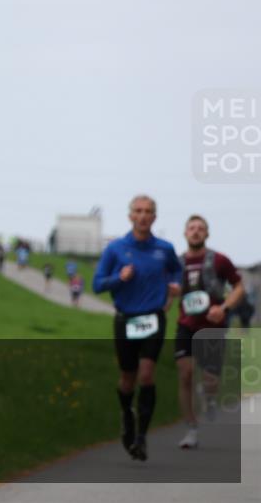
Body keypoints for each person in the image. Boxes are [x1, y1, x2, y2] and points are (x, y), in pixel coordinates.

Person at [92, 195, 181, 461]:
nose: (143, 216)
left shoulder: (165, 248)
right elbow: (97, 284)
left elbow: (177, 272)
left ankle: (142, 436)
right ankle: (127, 416)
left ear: (154, 217)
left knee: (146, 375)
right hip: (125, 319)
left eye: (149, 211)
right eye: (138, 211)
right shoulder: (116, 248)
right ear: (130, 216)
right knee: (127, 379)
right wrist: (118, 278)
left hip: (153, 318)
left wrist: (175, 287)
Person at [173, 215, 244, 449]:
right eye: (191, 228)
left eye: (200, 229)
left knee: (210, 379)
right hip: (186, 325)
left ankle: (210, 397)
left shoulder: (220, 260)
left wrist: (223, 308)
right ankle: (191, 429)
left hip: (212, 327)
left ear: (207, 234)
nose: (195, 232)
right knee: (185, 374)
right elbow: (168, 292)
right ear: (184, 233)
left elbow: (239, 287)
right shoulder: (176, 263)